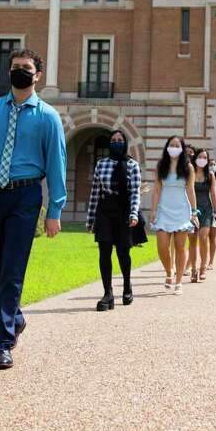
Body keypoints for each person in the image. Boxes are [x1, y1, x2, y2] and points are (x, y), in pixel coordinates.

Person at [0, 48, 67, 370]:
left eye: (26, 68)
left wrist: (55, 211)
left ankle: (2, 342)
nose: (20, 72)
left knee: (12, 270)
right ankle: (15, 316)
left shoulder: (48, 116)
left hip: (26, 195)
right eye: (15, 67)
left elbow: (57, 165)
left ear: (37, 76)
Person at [86, 130, 142, 311]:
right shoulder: (101, 164)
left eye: (120, 140)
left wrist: (134, 214)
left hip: (123, 210)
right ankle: (107, 294)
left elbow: (135, 193)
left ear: (124, 143)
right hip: (105, 209)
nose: (116, 142)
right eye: (113, 140)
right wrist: (91, 219)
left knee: (123, 253)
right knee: (104, 252)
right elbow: (94, 192)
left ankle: (127, 285)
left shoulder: (132, 165)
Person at [153, 136, 198, 294]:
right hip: (164, 209)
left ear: (182, 148)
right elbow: (157, 189)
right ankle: (168, 271)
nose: (174, 147)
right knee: (162, 246)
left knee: (180, 246)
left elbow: (190, 190)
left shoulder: (188, 167)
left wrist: (194, 212)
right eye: (171, 145)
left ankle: (179, 281)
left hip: (182, 209)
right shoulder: (160, 166)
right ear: (167, 147)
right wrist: (153, 210)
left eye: (177, 145)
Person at [188, 148, 216, 282]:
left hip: (206, 209)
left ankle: (203, 268)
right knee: (193, 240)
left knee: (203, 237)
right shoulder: (190, 173)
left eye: (205, 158)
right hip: (191, 210)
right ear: (195, 158)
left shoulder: (210, 175)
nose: (202, 160)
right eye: (200, 157)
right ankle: (193, 269)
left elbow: (213, 194)